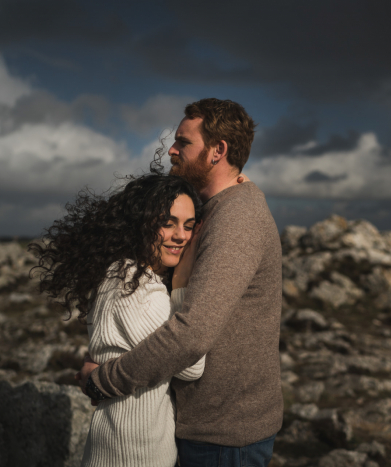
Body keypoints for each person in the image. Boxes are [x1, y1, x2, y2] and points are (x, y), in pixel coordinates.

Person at [78, 98, 283, 467]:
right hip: (202, 426)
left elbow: (191, 335)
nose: (171, 150)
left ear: (217, 151)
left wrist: (104, 381)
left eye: (183, 142)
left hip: (222, 436)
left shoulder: (236, 217)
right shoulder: (219, 207)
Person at [31, 171, 206, 467]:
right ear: (140, 223)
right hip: (130, 456)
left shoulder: (132, 275)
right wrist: (184, 281)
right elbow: (192, 365)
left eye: (188, 226)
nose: (180, 235)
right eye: (168, 223)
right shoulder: (130, 283)